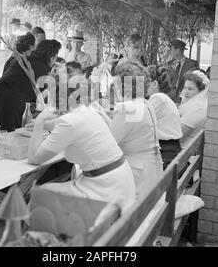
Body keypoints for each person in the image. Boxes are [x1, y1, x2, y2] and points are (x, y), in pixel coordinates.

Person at [27, 73, 136, 212]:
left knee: (38, 195)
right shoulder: (86, 111)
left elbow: (34, 158)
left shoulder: (69, 122)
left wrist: (40, 121)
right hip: (117, 181)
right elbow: (58, 124)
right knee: (52, 189)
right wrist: (39, 123)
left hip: (104, 188)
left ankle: (36, 232)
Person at [93, 62, 163, 201]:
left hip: (137, 174)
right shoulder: (144, 102)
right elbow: (123, 130)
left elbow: (109, 143)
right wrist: (101, 113)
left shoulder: (127, 108)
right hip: (152, 168)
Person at [0, 40, 61, 135]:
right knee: (2, 142)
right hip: (6, 105)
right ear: (51, 57)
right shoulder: (46, 71)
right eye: (56, 57)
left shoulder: (24, 60)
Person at [147, 65, 183, 170]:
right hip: (171, 152)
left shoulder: (158, 98)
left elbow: (141, 123)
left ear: (154, 84)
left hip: (167, 156)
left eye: (145, 82)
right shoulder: (163, 98)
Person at [178, 69, 209, 147]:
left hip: (183, 152)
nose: (185, 92)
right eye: (185, 88)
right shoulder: (195, 105)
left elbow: (178, 135)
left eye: (190, 89)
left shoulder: (198, 109)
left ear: (201, 91)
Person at [168, 39, 199, 103]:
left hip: (185, 98)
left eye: (172, 49)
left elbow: (195, 83)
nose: (170, 51)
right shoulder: (170, 64)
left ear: (178, 50)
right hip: (171, 98)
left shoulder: (192, 64)